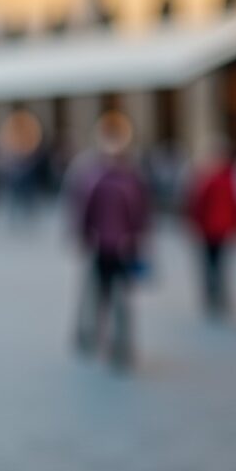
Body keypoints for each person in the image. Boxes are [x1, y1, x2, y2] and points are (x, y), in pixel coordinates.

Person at [63, 112, 149, 369]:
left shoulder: (131, 175)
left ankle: (120, 345)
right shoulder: (91, 173)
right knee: (94, 294)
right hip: (100, 245)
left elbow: (141, 211)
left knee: (120, 299)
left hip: (123, 246)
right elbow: (81, 207)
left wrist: (138, 238)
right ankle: (88, 335)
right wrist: (81, 235)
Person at [187, 143, 236, 319]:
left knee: (209, 263)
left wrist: (194, 223)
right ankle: (220, 294)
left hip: (209, 228)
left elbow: (198, 204)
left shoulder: (209, 179)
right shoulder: (231, 180)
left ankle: (212, 294)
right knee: (220, 262)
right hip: (223, 228)